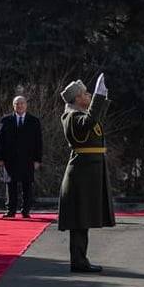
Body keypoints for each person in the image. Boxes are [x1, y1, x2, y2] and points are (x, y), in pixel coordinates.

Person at [58, 74, 115, 272]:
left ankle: (80, 260)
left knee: (83, 220)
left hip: (87, 173)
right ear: (77, 99)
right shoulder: (72, 117)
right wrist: (98, 97)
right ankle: (79, 262)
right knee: (80, 221)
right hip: (81, 175)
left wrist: (102, 99)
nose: (88, 95)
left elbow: (94, 119)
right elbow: (88, 122)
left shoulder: (80, 114)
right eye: (85, 94)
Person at [0, 96, 43, 218]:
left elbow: (38, 142)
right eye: (17, 103)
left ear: (26, 105)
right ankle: (10, 210)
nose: (20, 106)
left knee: (27, 185)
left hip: (28, 159)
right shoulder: (6, 120)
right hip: (10, 159)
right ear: (13, 105)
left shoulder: (34, 121)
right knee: (10, 185)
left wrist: (38, 159)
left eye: (22, 103)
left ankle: (25, 210)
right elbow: (0, 141)